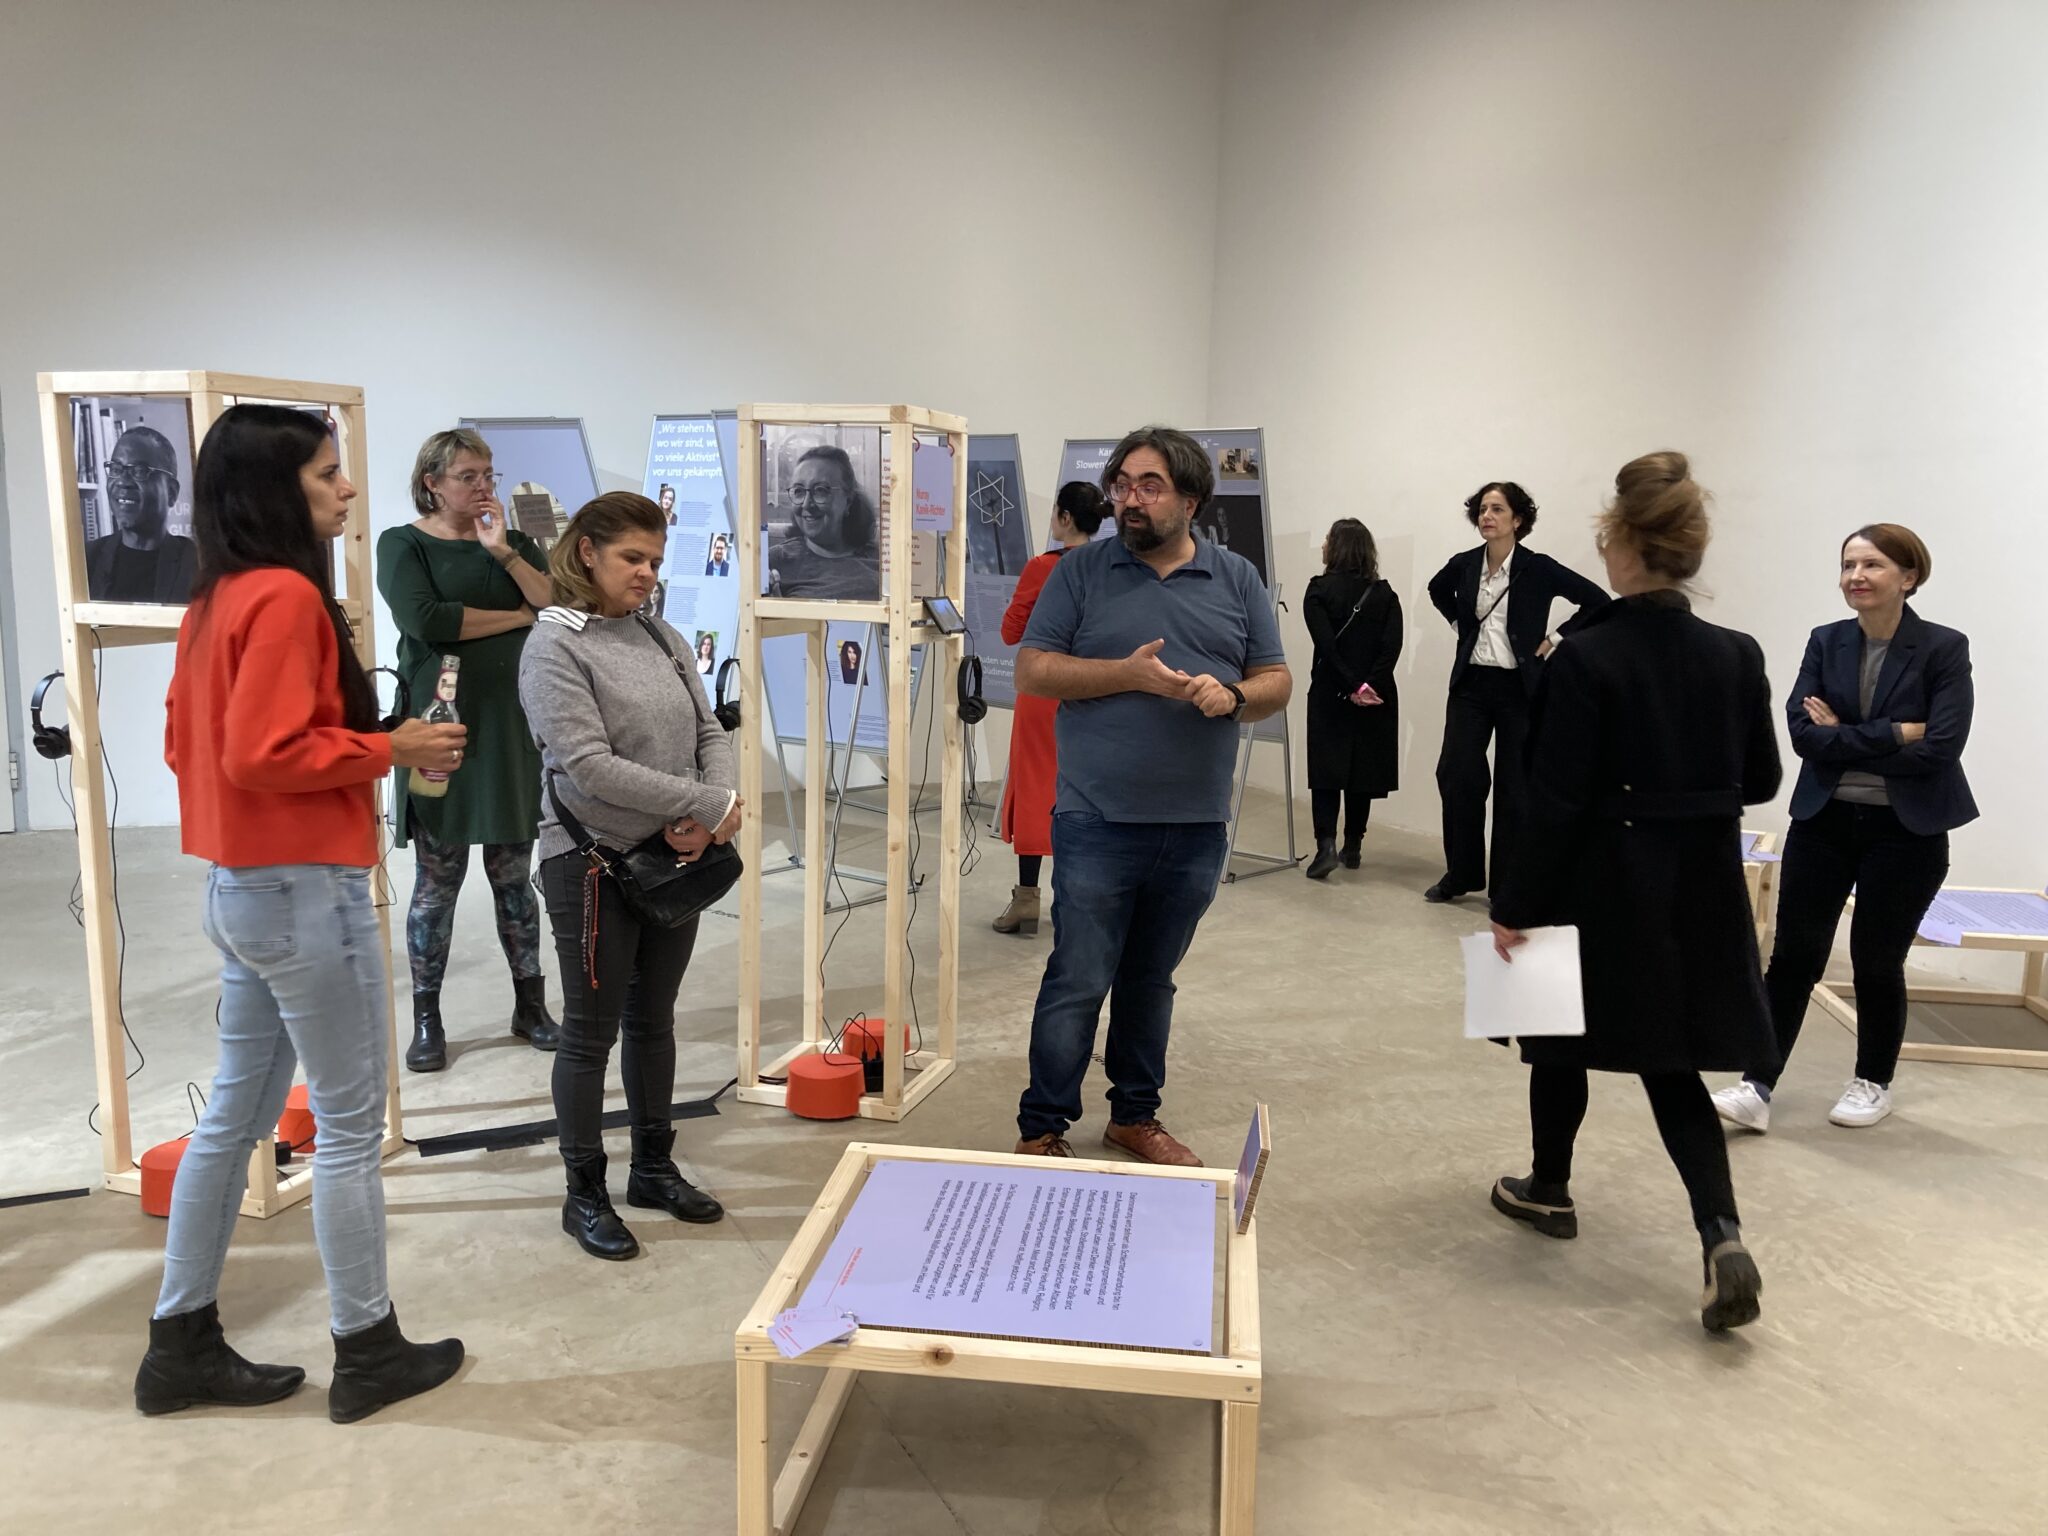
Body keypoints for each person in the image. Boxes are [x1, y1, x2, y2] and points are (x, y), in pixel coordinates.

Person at [139, 404, 465, 1421]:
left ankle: (179, 1343)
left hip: (241, 889)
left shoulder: (215, 597)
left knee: (234, 1119)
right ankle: (367, 1349)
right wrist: (388, 748)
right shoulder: (282, 596)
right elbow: (261, 752)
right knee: (349, 1127)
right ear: (274, 490)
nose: (347, 486)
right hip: (303, 890)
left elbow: (186, 747)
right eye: (328, 473)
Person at [1487, 452, 1780, 1333]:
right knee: (1671, 1063)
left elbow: (1551, 801)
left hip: (1597, 880)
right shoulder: (1737, 653)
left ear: (1623, 546)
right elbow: (1762, 777)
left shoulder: (1586, 657)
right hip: (1697, 886)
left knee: (1555, 1040)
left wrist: (1512, 905)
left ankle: (1549, 1186)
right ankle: (1721, 1234)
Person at [1012, 427, 1291, 1165]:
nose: (1130, 500)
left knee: (1150, 981)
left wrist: (1234, 696)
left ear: (1191, 501)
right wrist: (1125, 675)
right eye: (1123, 485)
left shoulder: (1237, 578)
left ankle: (1134, 1116)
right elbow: (1034, 670)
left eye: (1150, 486)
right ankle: (1041, 1127)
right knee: (1078, 979)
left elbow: (1276, 680)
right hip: (1096, 817)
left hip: (1195, 824)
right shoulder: (1080, 571)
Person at [518, 491, 740, 1260]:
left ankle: (653, 1169)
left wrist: (713, 808)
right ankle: (584, 1194)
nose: (646, 573)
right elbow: (587, 766)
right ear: (587, 552)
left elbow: (709, 729)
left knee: (655, 1020)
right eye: (631, 559)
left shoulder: (660, 633)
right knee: (590, 1035)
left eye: (654, 560)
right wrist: (701, 804)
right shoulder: (553, 646)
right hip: (592, 864)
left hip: (674, 856)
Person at [1714, 525, 1973, 1133]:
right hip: (1824, 821)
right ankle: (1757, 1083)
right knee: (1793, 957)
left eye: (1872, 565)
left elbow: (1941, 746)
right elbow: (1804, 736)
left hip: (1905, 831)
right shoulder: (1826, 640)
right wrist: (1894, 732)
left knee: (1876, 962)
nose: (1856, 576)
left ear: (1908, 577)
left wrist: (1846, 737)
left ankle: (1872, 1082)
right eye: (1848, 564)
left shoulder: (1943, 647)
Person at [378, 428, 561, 1073]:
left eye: (489, 475)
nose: (483, 487)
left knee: (514, 876)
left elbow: (553, 602)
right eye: (468, 476)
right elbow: (425, 620)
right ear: (432, 482)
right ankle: (427, 1019)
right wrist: (516, 618)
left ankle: (530, 1006)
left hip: (513, 725)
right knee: (438, 881)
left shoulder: (514, 543)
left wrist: (502, 553)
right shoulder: (402, 544)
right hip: (441, 725)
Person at [1424, 482, 1608, 904]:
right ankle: (1461, 873)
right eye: (1482, 510)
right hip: (1471, 686)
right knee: (1457, 776)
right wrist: (1460, 626)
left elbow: (1597, 601)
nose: (1487, 517)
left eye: (1497, 509)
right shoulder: (1465, 564)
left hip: (1520, 690)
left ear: (1518, 519)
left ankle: (1508, 884)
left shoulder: (1537, 568)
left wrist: (1556, 638)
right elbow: (1437, 590)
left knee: (1516, 787)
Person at [994, 481, 1107, 934]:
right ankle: (1078, 904)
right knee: (1085, 790)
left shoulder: (1043, 566)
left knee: (1036, 787)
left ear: (1065, 517)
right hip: (1095, 687)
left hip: (1044, 692)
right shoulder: (1111, 566)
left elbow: (1010, 631)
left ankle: (1027, 900)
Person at [1301, 519, 1402, 879]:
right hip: (1375, 696)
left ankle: (1325, 846)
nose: (1323, 544)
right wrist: (1368, 685)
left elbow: (1326, 646)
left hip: (1331, 691)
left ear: (1338, 547)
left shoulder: (1318, 591)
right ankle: (1353, 846)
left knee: (1326, 771)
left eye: (1327, 539)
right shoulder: (1385, 595)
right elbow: (1391, 648)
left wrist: (1351, 685)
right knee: (1362, 770)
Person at [87, 425, 198, 603]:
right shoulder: (87, 560)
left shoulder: (195, 564)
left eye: (139, 471)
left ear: (171, 492)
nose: (123, 482)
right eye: (115, 469)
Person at [767, 446, 882, 599]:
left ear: (848, 501)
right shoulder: (773, 562)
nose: (806, 504)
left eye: (820, 490)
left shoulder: (883, 561)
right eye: (799, 491)